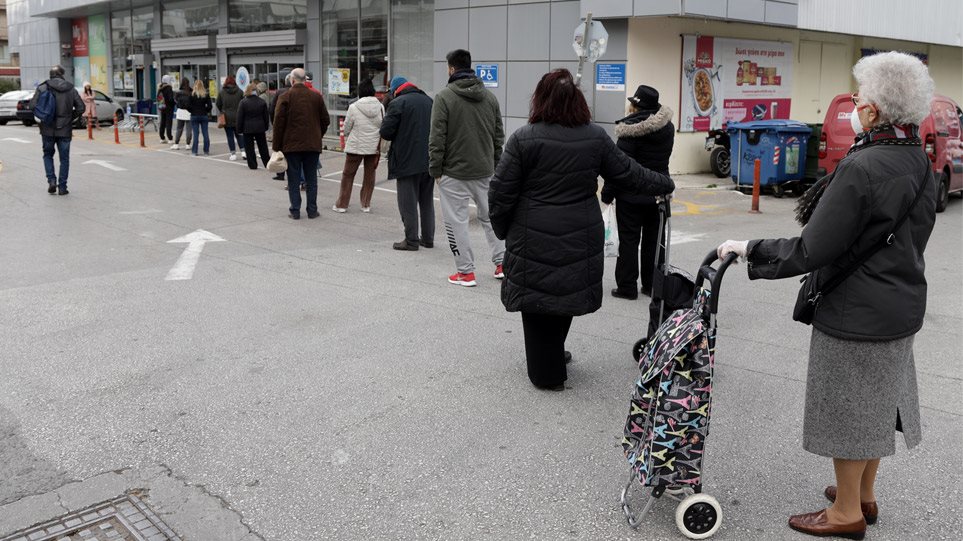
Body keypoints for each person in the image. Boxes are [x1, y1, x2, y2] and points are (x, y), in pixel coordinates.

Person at [716, 52, 936, 540]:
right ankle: (864, 497)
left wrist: (747, 249)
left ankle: (845, 516)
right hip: (901, 305)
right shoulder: (919, 161)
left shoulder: (863, 167)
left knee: (849, 414)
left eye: (859, 97)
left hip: (855, 311)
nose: (854, 104)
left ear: (875, 111)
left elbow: (811, 248)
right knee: (876, 406)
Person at [489, 69, 674, 391]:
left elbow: (500, 192)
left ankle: (546, 372)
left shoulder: (523, 138)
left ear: (539, 100)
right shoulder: (594, 137)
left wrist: (504, 230)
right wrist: (664, 183)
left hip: (531, 232)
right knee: (564, 293)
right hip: (580, 231)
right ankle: (553, 354)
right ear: (578, 102)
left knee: (536, 301)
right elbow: (628, 173)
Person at [429, 49, 505, 286]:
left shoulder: (444, 97)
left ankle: (466, 272)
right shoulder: (490, 98)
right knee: (491, 218)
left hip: (454, 172)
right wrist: (494, 164)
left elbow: (437, 138)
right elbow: (498, 137)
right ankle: (503, 263)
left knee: (456, 222)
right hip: (485, 170)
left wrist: (435, 170)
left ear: (451, 69)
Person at [601, 85, 675, 300]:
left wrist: (607, 194)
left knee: (629, 241)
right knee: (654, 241)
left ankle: (627, 287)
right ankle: (652, 285)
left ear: (636, 105)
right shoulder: (667, 128)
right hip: (658, 192)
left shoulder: (628, 131)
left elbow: (620, 168)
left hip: (630, 195)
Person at [381, 76, 434, 251]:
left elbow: (386, 132)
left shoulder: (398, 103)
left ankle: (411, 240)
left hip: (406, 160)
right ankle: (427, 239)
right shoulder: (429, 101)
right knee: (426, 201)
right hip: (429, 160)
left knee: (407, 202)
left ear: (395, 89)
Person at [272, 68, 330, 220]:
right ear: (305, 80)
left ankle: (295, 210)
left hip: (292, 146)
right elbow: (326, 120)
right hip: (312, 144)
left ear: (292, 80)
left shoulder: (285, 97)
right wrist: (318, 134)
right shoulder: (316, 97)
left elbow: (278, 123)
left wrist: (277, 147)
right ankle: (312, 210)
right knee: (311, 179)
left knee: (293, 179)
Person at [30, 65, 84, 195]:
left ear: (51, 75)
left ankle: (51, 181)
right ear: (62, 74)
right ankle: (63, 187)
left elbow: (32, 105)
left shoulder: (42, 87)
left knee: (48, 155)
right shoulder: (70, 88)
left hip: (47, 128)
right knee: (64, 159)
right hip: (65, 128)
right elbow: (81, 108)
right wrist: (70, 118)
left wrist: (43, 116)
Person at [334, 79, 384, 213]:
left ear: (360, 92)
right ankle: (366, 204)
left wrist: (351, 135)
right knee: (369, 176)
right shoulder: (380, 107)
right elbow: (382, 126)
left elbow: (347, 128)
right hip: (373, 147)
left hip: (355, 146)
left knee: (348, 175)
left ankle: (342, 205)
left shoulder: (354, 107)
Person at [236, 85, 271, 170]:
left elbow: (239, 117)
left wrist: (239, 129)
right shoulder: (262, 102)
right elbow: (266, 117)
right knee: (263, 147)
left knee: (249, 147)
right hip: (260, 127)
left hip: (247, 127)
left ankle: (252, 164)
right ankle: (267, 163)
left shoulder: (243, 102)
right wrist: (266, 126)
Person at [270, 74, 293, 181]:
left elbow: (272, 107)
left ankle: (280, 173)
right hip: (293, 126)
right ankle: (293, 175)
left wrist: (273, 122)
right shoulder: (296, 92)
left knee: (280, 150)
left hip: (281, 125)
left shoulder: (280, 92)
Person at [216, 76, 245, 161]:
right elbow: (243, 103)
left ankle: (233, 154)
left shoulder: (222, 93)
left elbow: (218, 104)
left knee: (230, 136)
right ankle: (243, 152)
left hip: (226, 117)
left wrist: (223, 110)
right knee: (239, 135)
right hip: (238, 116)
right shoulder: (240, 92)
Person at [188, 80, 213, 156]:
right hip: (203, 115)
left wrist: (192, 111)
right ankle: (206, 151)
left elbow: (188, 106)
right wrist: (205, 110)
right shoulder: (205, 94)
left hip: (194, 115)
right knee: (205, 133)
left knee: (196, 134)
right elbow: (210, 106)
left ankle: (194, 151)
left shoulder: (192, 95)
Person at [171, 78, 192, 150]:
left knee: (179, 128)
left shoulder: (178, 93)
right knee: (189, 129)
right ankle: (188, 144)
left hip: (180, 111)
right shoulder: (191, 92)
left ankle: (176, 144)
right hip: (189, 111)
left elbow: (175, 101)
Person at [157, 75, 175, 144]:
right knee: (168, 123)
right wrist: (174, 103)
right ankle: (170, 138)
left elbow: (158, 98)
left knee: (163, 122)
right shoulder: (168, 88)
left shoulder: (160, 87)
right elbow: (170, 99)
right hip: (169, 108)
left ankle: (162, 137)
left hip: (162, 107)